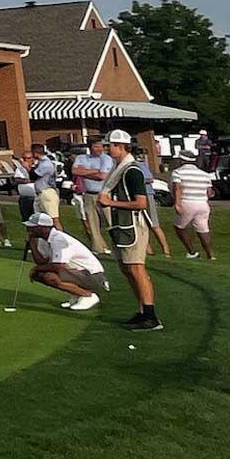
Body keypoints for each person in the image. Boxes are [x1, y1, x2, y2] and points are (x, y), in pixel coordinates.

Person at [96, 130, 159, 331]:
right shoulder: (119, 169)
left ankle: (150, 315)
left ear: (120, 147)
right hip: (121, 224)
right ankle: (142, 311)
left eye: (110, 146)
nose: (108, 149)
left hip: (132, 225)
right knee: (127, 268)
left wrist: (111, 202)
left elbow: (141, 203)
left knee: (136, 268)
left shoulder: (131, 171)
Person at [24, 211, 107, 312]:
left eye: (33, 227)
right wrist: (32, 242)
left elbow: (58, 266)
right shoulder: (43, 239)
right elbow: (41, 262)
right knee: (39, 275)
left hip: (93, 276)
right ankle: (78, 294)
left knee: (49, 277)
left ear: (43, 228)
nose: (29, 229)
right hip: (76, 273)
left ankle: (87, 295)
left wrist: (35, 268)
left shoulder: (59, 239)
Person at [70, 138, 113, 255]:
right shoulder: (82, 158)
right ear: (90, 147)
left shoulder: (106, 159)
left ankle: (117, 247)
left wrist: (84, 172)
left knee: (110, 222)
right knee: (92, 223)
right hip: (88, 194)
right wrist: (94, 171)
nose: (99, 149)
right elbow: (74, 171)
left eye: (101, 146)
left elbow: (102, 176)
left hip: (103, 193)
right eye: (96, 146)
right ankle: (97, 248)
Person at [169, 155, 215, 260]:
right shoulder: (204, 174)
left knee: (179, 227)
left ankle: (192, 252)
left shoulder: (177, 172)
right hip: (203, 204)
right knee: (203, 230)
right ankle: (211, 255)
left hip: (187, 202)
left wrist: (177, 203)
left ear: (181, 161)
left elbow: (178, 188)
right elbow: (210, 192)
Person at [135, 152, 173, 259]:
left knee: (154, 224)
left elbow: (149, 179)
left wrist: (134, 181)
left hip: (146, 194)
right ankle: (148, 250)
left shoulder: (140, 165)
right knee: (140, 225)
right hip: (134, 196)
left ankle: (166, 251)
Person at [29, 145, 62, 223]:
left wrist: (27, 167)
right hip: (40, 193)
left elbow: (33, 175)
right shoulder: (41, 162)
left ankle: (59, 234)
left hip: (47, 192)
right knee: (39, 220)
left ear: (35, 153)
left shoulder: (46, 164)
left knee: (53, 219)